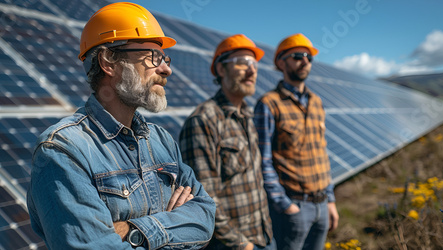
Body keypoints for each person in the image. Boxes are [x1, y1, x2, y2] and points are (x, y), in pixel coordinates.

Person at [26, 2, 215, 249]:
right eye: (153, 57)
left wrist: (133, 230)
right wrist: (174, 225)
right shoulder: (63, 151)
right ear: (109, 61)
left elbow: (205, 216)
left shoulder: (161, 140)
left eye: (165, 58)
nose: (166, 69)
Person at [179, 34, 275, 250]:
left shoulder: (248, 116)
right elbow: (204, 199)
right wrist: (241, 244)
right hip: (231, 245)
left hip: (263, 236)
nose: (252, 70)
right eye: (242, 63)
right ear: (221, 70)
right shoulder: (204, 120)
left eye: (255, 64)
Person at [253, 33, 339, 250]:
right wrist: (285, 205)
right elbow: (262, 161)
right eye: (298, 56)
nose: (305, 62)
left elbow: (322, 152)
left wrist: (330, 199)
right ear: (281, 62)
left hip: (322, 205)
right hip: (294, 207)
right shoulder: (269, 104)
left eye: (309, 58)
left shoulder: (317, 102)